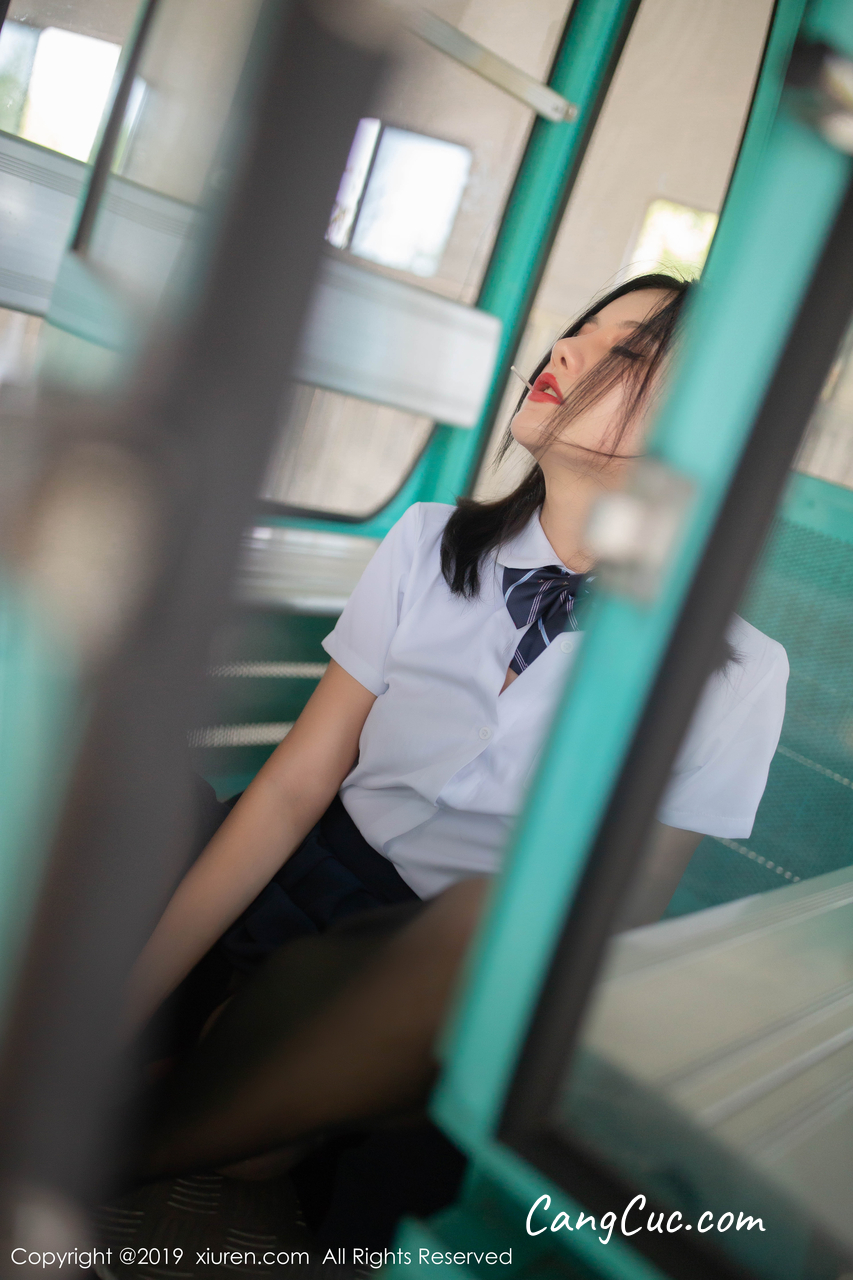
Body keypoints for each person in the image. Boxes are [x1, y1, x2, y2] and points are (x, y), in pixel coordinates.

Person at [126, 274, 788, 1177]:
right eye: (579, 331)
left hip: (426, 966)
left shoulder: (739, 672)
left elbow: (617, 918)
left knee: (487, 929)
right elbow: (291, 789)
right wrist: (123, 1001)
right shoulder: (427, 542)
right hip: (291, 870)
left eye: (626, 351)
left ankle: (144, 1138)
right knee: (128, 766)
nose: (564, 350)